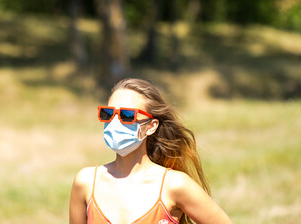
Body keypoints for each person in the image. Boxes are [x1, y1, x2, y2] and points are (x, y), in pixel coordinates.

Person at [69, 78, 233, 224]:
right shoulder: (86, 182)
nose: (115, 122)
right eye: (109, 113)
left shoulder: (175, 185)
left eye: (127, 115)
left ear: (151, 126)